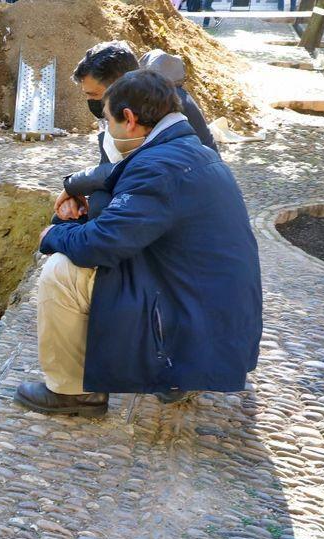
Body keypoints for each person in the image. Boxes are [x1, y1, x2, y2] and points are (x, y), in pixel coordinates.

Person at [14, 70, 262, 416]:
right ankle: (175, 375)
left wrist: (53, 235)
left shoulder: (158, 167)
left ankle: (73, 392)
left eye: (106, 121)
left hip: (191, 322)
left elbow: (103, 244)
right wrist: (79, 191)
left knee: (63, 270)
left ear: (129, 119)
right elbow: (121, 183)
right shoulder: (187, 149)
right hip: (212, 316)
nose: (106, 131)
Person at [57, 42, 217, 222]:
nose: (91, 103)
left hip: (183, 199)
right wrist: (77, 192)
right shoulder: (122, 105)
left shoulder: (160, 104)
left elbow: (135, 170)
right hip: (151, 187)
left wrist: (74, 184)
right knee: (76, 212)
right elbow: (109, 165)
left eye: (94, 95)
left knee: (100, 209)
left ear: (119, 85)